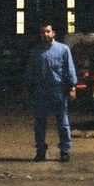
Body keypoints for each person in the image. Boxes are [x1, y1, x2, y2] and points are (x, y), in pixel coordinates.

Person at [22, 24, 77, 162]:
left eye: (48, 31)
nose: (45, 34)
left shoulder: (63, 50)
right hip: (40, 91)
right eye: (43, 32)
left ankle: (65, 151)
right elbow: (30, 70)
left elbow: (69, 68)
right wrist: (27, 87)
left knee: (62, 122)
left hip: (58, 90)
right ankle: (40, 151)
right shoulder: (36, 52)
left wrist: (72, 87)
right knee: (40, 123)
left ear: (53, 33)